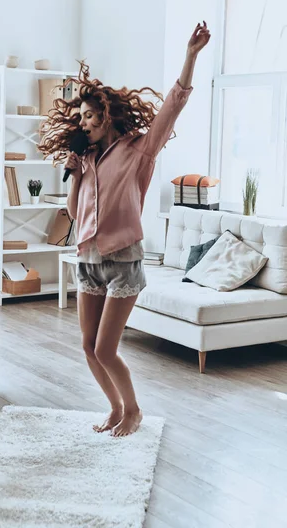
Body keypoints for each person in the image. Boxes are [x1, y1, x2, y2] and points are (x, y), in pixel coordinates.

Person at [38, 22, 211, 437]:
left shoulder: (139, 150)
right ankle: (115, 407)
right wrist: (76, 171)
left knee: (105, 348)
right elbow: (74, 213)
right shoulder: (87, 158)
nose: (83, 123)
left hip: (123, 263)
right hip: (88, 261)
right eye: (78, 118)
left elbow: (172, 106)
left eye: (89, 116)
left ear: (107, 113)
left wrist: (190, 57)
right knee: (86, 346)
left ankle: (133, 410)